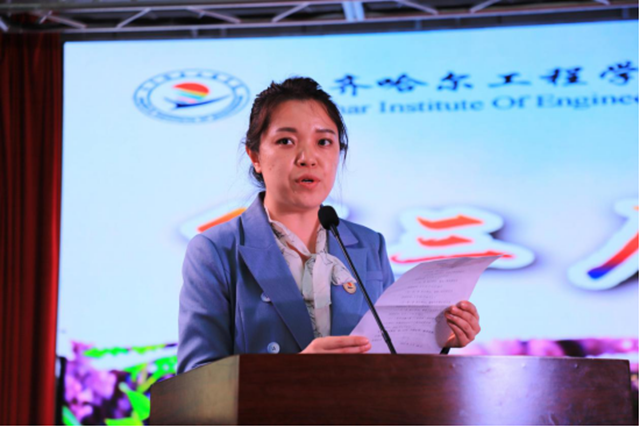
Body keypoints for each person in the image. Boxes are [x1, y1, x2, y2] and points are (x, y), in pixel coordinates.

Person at [177, 77, 481, 373]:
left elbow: (391, 357)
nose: (308, 158)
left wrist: (437, 338)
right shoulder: (215, 250)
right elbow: (195, 378)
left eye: (324, 142)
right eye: (286, 141)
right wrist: (296, 372)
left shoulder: (368, 245)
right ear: (255, 155)